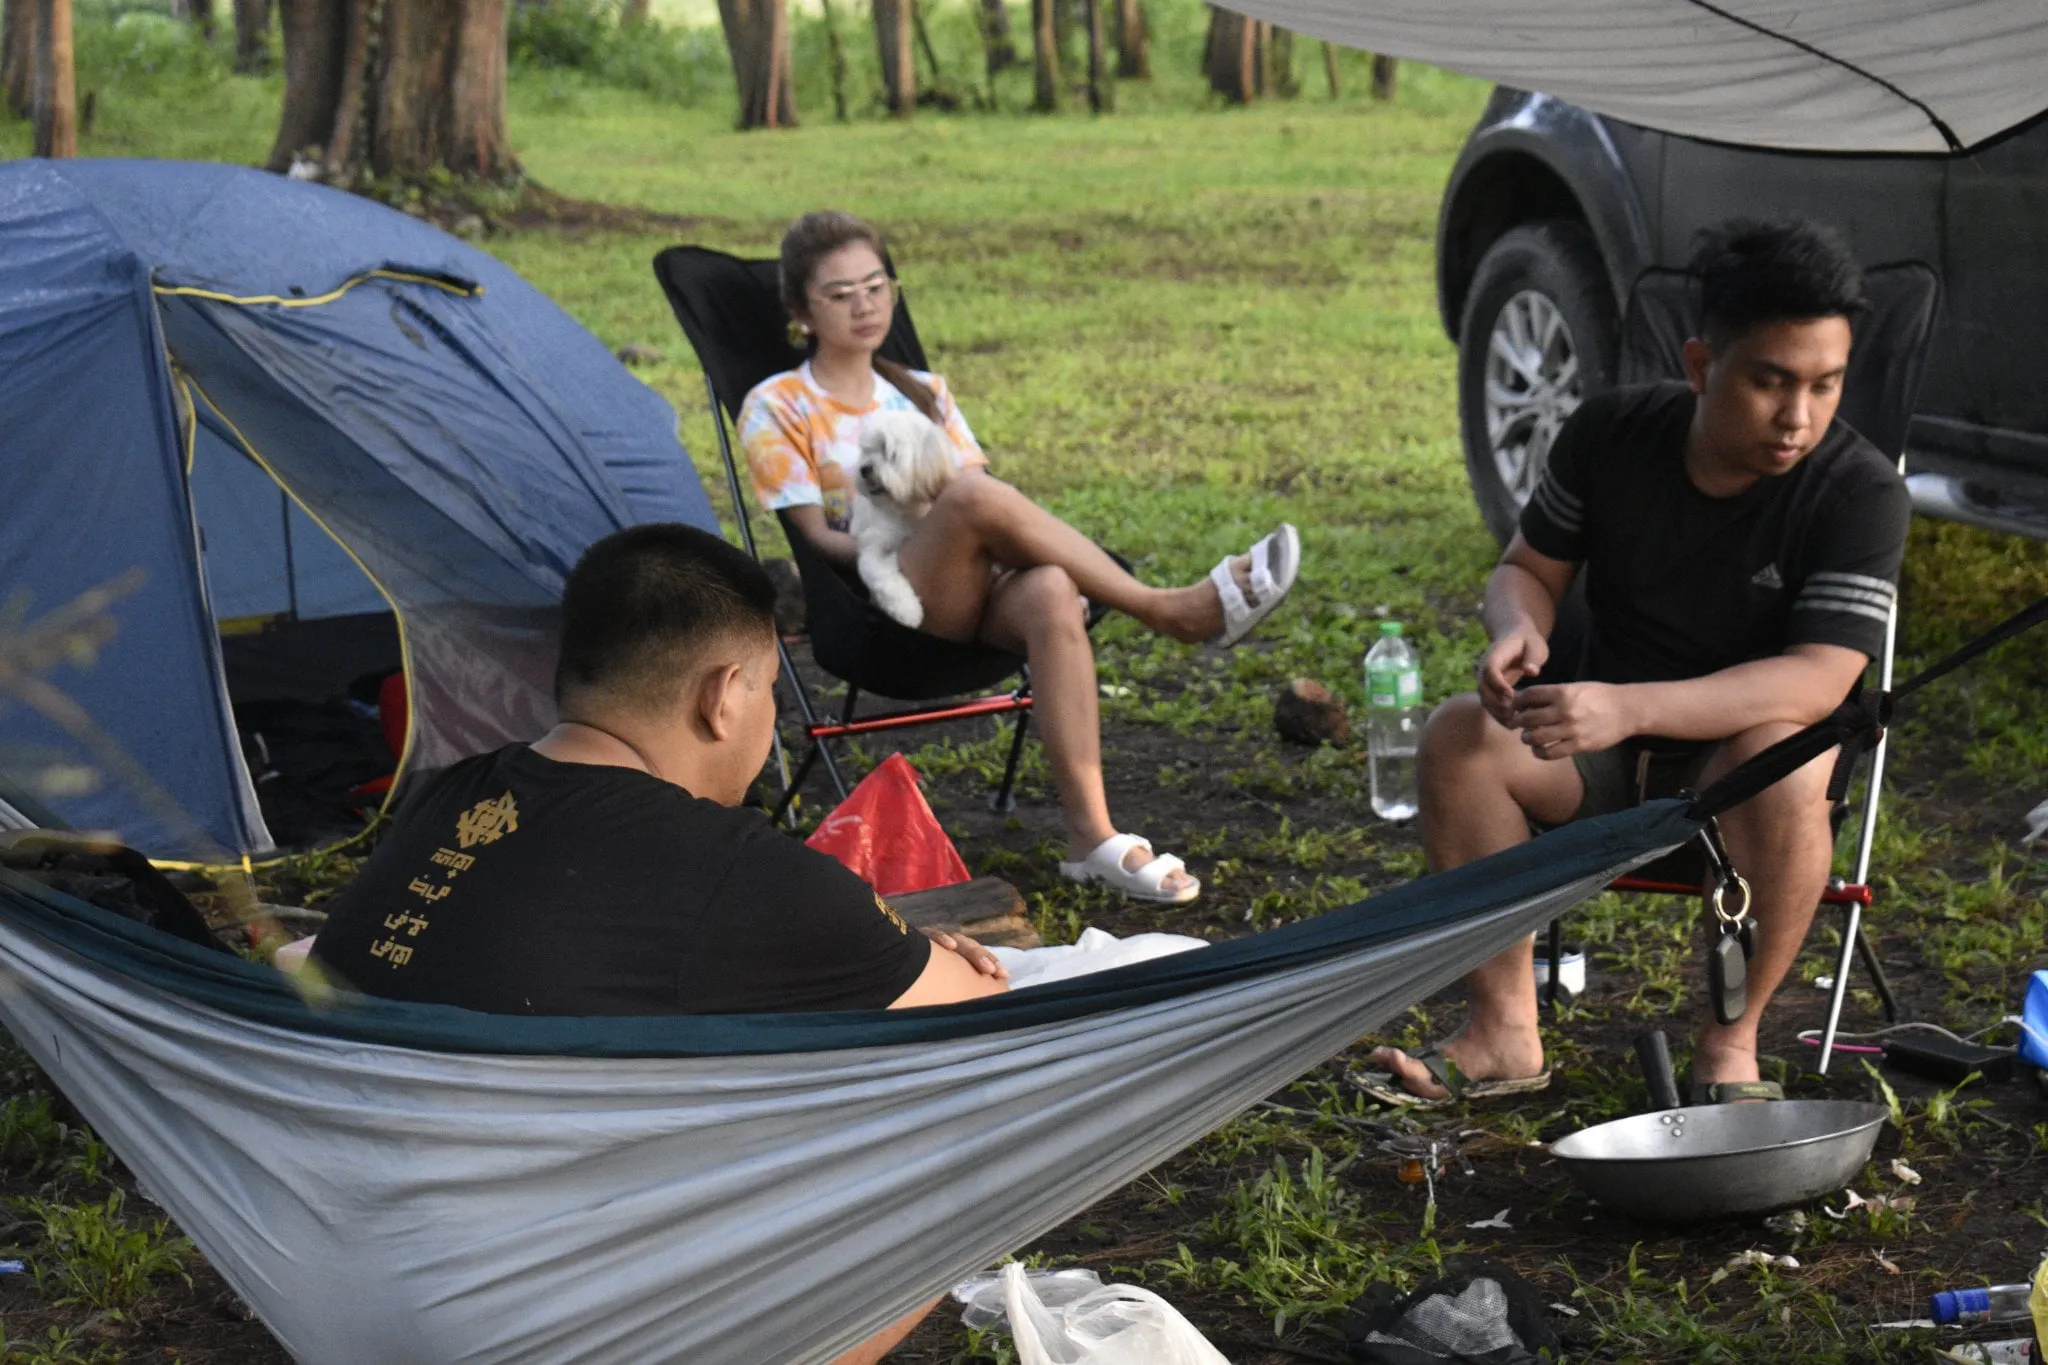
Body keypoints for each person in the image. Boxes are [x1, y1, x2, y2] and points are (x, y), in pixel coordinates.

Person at [311, 524, 1002, 1363]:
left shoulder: (447, 793)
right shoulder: (733, 868)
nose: (769, 721)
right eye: (770, 695)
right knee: (973, 1121)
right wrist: (924, 958)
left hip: (335, 1285)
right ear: (723, 694)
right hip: (533, 1325)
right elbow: (979, 1024)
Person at [1360, 218, 1910, 1107]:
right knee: (1460, 736)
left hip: (1745, 784)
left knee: (1787, 746)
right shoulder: (1612, 433)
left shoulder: (1859, 493)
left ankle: (1731, 1044)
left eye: (1826, 384)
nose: (1798, 416)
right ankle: (1504, 1031)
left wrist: (1629, 706)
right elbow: (1525, 569)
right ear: (1701, 367)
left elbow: (1819, 677)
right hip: (1600, 764)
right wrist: (1517, 628)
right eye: (1771, 381)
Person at [739, 210, 1302, 906]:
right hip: (881, 606)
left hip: (969, 587)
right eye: (840, 293)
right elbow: (816, 539)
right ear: (801, 311)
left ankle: (1090, 837)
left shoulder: (922, 389)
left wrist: (986, 547)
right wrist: (912, 542)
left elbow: (984, 509)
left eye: (877, 286)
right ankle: (1168, 608)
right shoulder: (776, 404)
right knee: (974, 497)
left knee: (1052, 590)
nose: (865, 305)